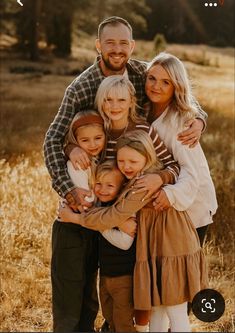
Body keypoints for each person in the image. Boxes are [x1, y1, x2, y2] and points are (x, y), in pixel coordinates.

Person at [44, 16, 207, 214]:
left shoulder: (142, 72)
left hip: (137, 179)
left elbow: (174, 88)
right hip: (100, 180)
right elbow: (53, 138)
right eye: (109, 43)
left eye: (123, 43)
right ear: (98, 45)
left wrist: (199, 118)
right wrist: (68, 188)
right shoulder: (80, 88)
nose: (117, 50)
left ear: (131, 46)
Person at [59, 130, 208, 332]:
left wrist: (76, 218)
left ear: (147, 158)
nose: (126, 166)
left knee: (175, 310)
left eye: (132, 161)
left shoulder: (143, 184)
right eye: (121, 161)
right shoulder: (138, 178)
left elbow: (114, 215)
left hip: (172, 247)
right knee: (157, 309)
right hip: (155, 247)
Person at [138, 52, 217, 331]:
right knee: (164, 286)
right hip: (165, 212)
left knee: (179, 288)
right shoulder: (143, 111)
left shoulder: (182, 120)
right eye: (152, 78)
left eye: (165, 82)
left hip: (191, 208)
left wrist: (169, 194)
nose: (156, 86)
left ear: (177, 87)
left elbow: (191, 174)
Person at [67, 75, 180, 196]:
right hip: (103, 195)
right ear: (101, 101)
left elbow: (173, 166)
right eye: (108, 100)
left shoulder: (144, 131)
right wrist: (70, 148)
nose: (115, 106)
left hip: (134, 199)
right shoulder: (99, 130)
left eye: (122, 100)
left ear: (131, 102)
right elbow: (74, 139)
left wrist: (160, 177)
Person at [51, 110, 105, 332]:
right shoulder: (77, 164)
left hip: (90, 231)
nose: (92, 144)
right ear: (75, 140)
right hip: (71, 230)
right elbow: (84, 206)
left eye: (98, 138)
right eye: (84, 140)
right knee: (69, 293)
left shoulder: (97, 160)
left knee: (88, 291)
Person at [93, 160, 137, 332]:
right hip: (105, 274)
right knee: (109, 316)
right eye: (98, 184)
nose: (102, 189)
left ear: (121, 187)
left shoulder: (124, 209)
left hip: (124, 277)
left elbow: (125, 244)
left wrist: (100, 226)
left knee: (123, 321)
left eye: (109, 185)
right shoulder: (100, 204)